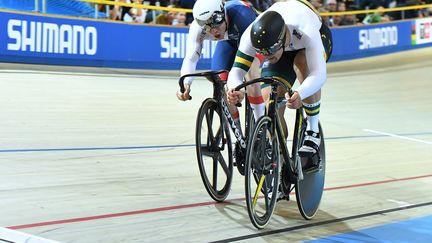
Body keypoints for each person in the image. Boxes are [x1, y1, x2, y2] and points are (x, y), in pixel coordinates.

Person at [226, 0, 333, 159]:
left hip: (313, 38)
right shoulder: (251, 36)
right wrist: (236, 89)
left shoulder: (306, 30)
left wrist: (300, 93)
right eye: (262, 52)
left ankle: (313, 129)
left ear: (281, 40)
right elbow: (236, 71)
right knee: (270, 98)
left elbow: (319, 74)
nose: (266, 55)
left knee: (302, 63)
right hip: (282, 46)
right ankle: (280, 154)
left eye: (269, 51)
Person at [176, 0, 265, 171]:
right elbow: (191, 57)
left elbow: (247, 59)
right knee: (220, 79)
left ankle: (261, 128)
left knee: (250, 71)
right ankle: (239, 137)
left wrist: (243, 88)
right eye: (207, 28)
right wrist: (185, 83)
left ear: (223, 13)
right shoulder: (198, 27)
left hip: (252, 36)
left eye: (215, 23)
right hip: (229, 42)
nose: (213, 31)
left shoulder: (242, 15)